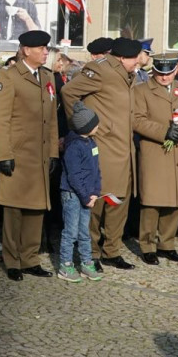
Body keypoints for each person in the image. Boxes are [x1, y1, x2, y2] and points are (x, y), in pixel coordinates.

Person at [62, 37, 140, 271]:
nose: (139, 62)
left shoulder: (128, 75)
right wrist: (81, 125)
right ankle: (92, 252)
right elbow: (68, 92)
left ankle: (112, 251)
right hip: (103, 146)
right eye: (135, 58)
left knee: (119, 201)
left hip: (125, 149)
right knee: (98, 201)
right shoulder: (100, 70)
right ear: (123, 57)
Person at [0, 30, 59, 280]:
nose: (45, 52)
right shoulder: (9, 76)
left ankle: (30, 258)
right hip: (18, 153)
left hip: (39, 154)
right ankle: (13, 260)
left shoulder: (47, 76)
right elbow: (0, 119)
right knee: (14, 210)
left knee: (36, 209)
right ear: (26, 50)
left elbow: (51, 119)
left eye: (46, 48)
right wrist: (4, 155)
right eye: (41, 48)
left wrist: (53, 151)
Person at [132, 58, 178, 264]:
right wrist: (163, 132)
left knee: (175, 201)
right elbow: (136, 120)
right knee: (152, 202)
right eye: (160, 72)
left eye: (168, 72)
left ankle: (167, 244)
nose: (164, 76)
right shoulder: (141, 90)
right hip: (155, 150)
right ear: (153, 71)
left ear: (175, 71)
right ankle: (147, 245)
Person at [58, 102, 104, 283]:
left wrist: (95, 191)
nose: (98, 126)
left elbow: (96, 169)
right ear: (86, 127)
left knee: (84, 231)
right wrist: (86, 196)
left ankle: (86, 262)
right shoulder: (74, 147)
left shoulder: (91, 142)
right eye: (95, 124)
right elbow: (74, 176)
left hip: (87, 195)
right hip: (72, 194)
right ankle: (66, 264)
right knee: (71, 232)